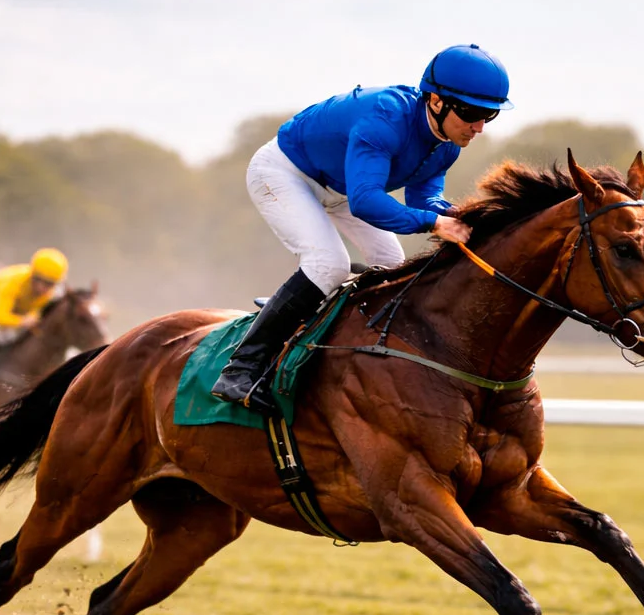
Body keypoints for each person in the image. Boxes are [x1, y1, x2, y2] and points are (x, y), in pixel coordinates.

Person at [212, 44, 513, 416]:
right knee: (328, 264)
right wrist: (436, 223)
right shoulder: (385, 119)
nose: (479, 126)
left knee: (390, 261)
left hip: (340, 188)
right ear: (436, 101)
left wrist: (460, 214)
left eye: (491, 114)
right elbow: (366, 201)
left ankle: (338, 341)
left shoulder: (447, 144)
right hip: (285, 172)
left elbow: (424, 198)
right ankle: (240, 369)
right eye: (472, 112)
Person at [0, 247, 68, 393]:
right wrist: (23, 321)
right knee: (4, 337)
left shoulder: (55, 292)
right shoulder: (12, 284)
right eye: (41, 282)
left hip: (18, 307)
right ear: (33, 276)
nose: (45, 288)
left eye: (50, 284)